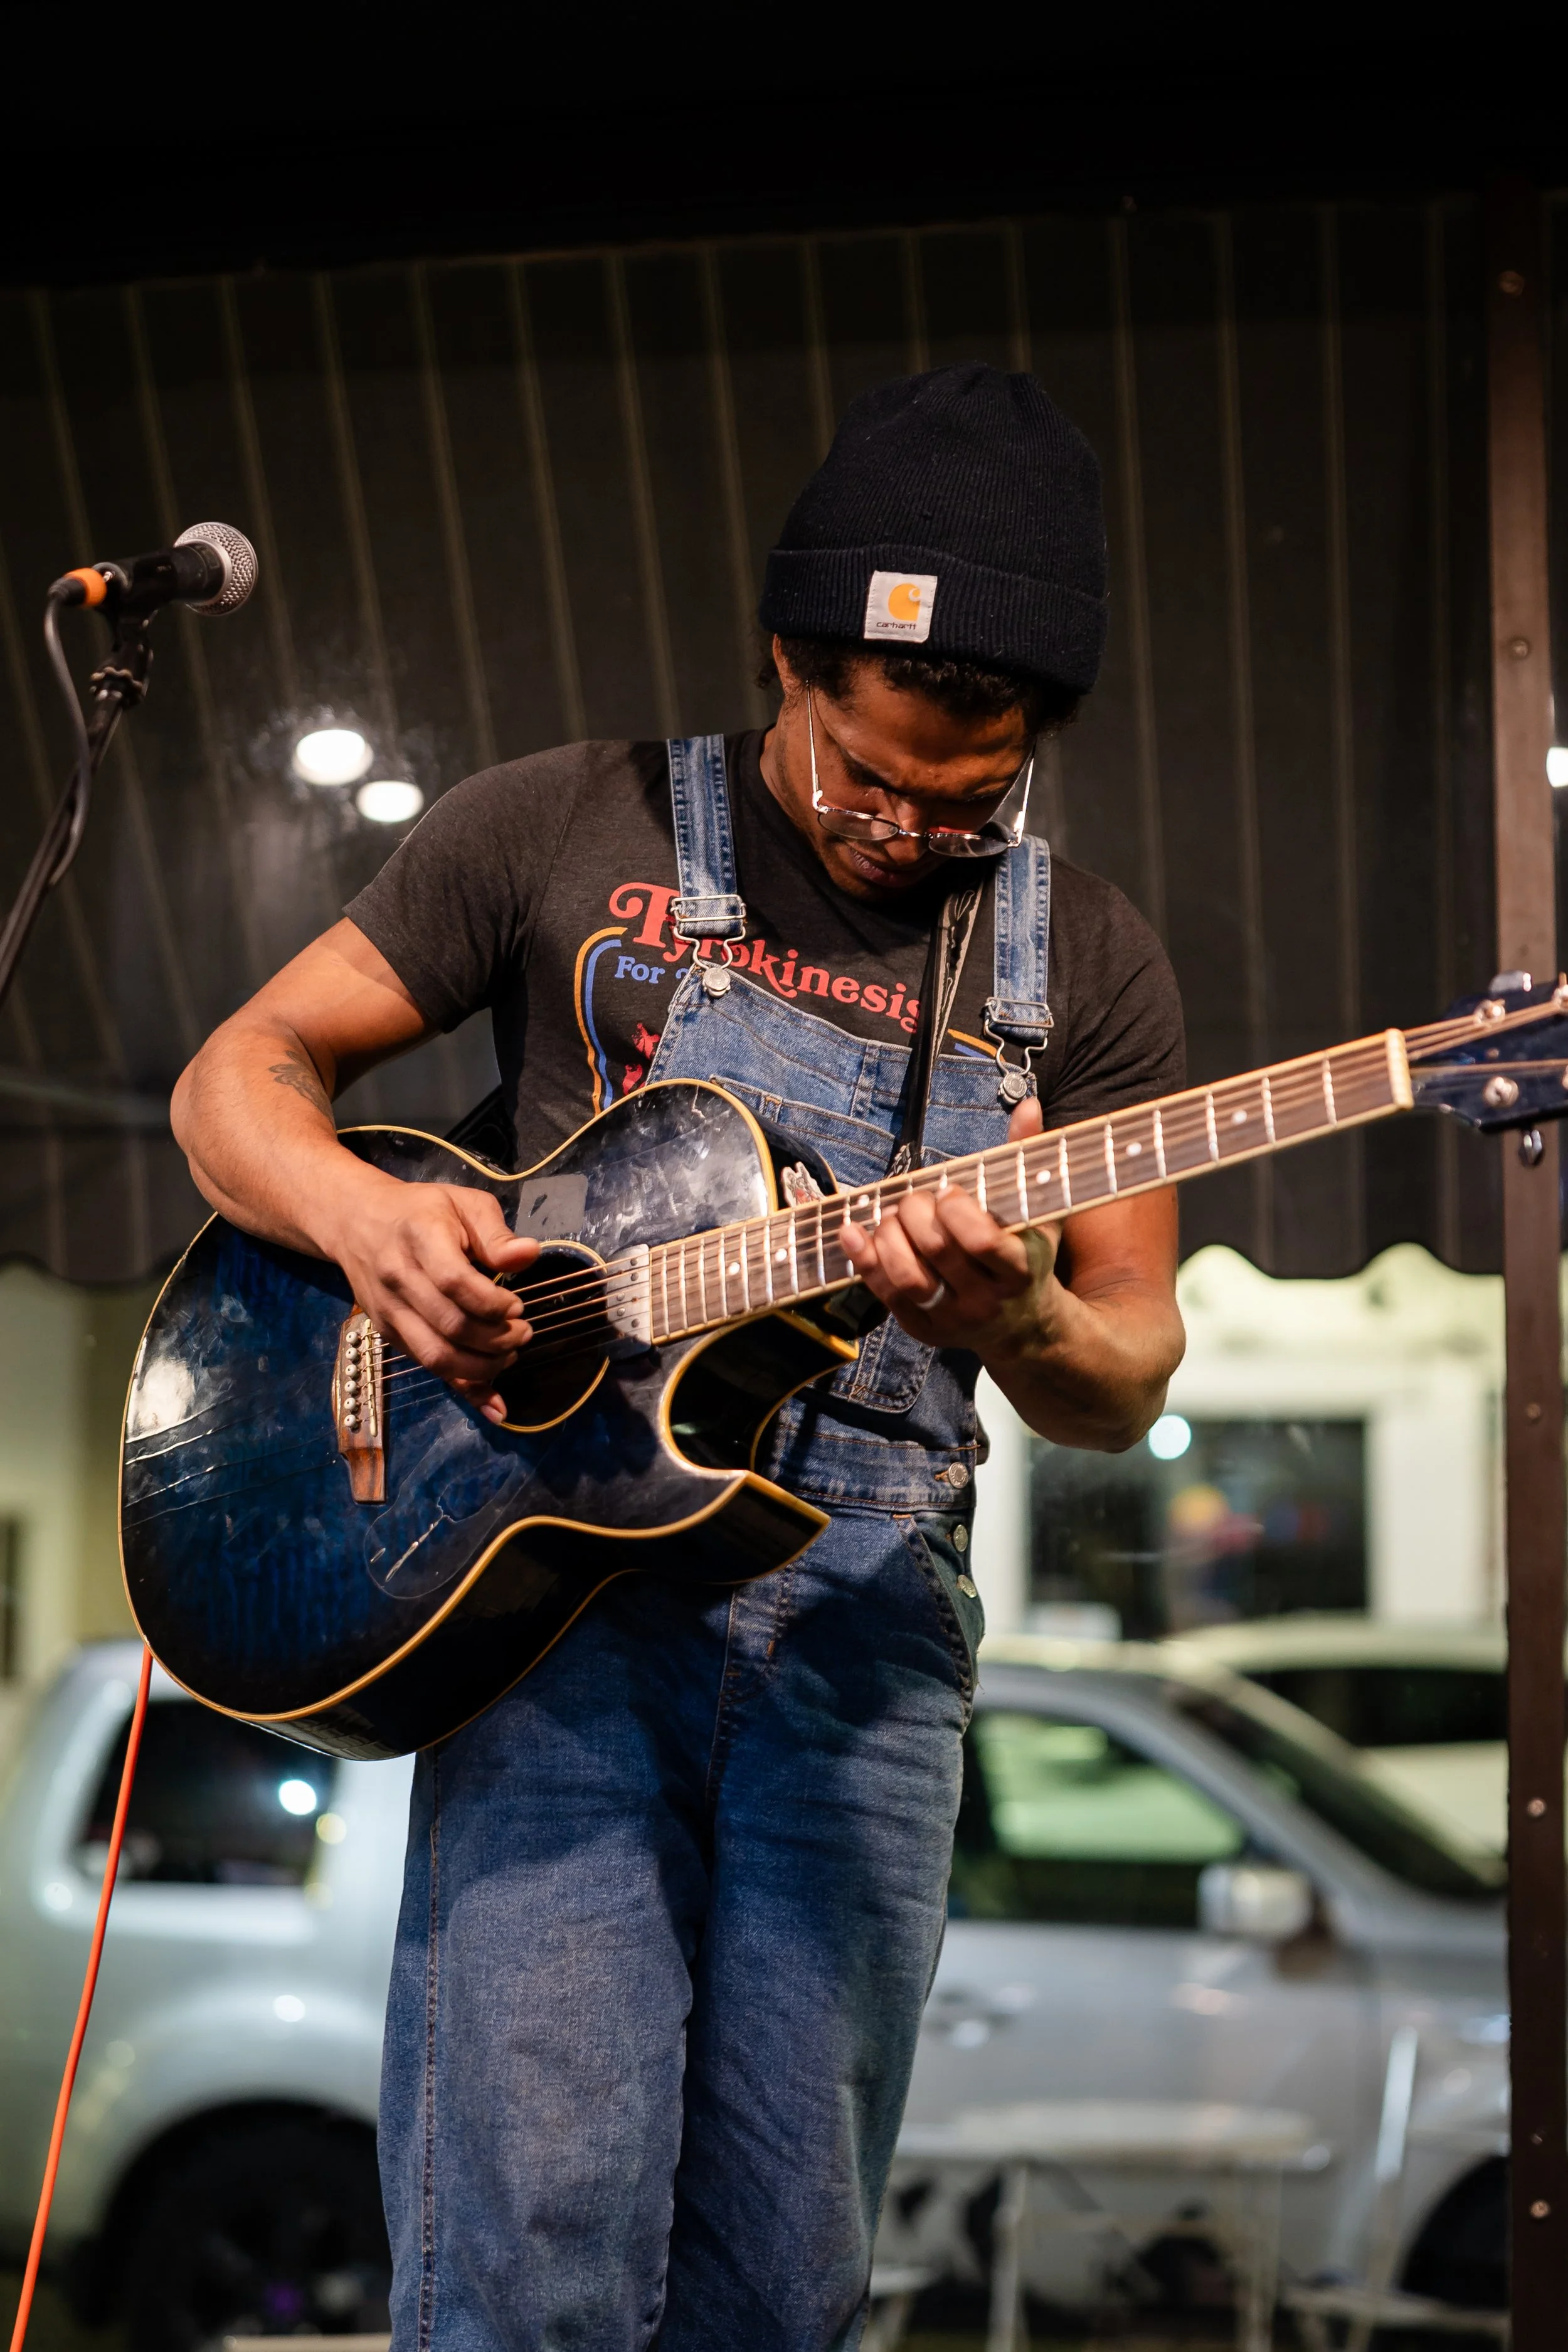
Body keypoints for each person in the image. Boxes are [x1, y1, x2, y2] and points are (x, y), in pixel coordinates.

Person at [172, 363, 1186, 2352]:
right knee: (535, 2241)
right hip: (556, 1614)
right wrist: (372, 1217)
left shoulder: (1093, 964)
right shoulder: (560, 821)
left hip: (866, 1637)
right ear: (784, 667)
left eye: (963, 800)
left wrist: (1028, 1318)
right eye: (858, 774)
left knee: (784, 2272)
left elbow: (1127, 1366)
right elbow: (240, 1078)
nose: (901, 829)